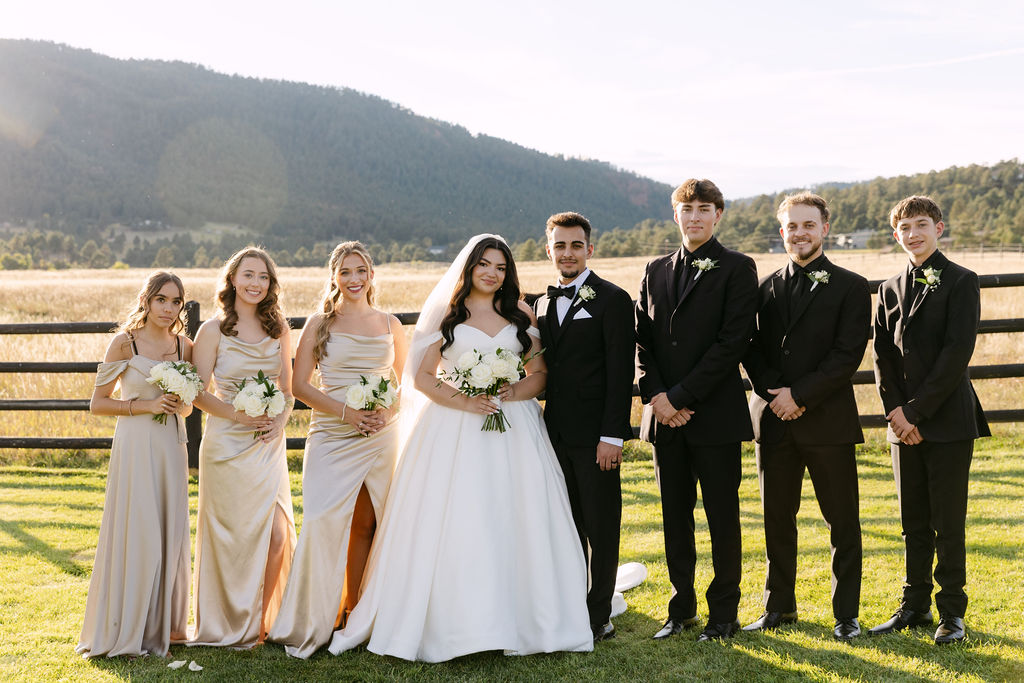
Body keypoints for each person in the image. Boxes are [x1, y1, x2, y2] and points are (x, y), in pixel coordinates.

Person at [328, 234, 592, 662]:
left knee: (517, 514)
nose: (492, 273)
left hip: (515, 429)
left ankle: (526, 616)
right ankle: (455, 621)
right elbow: (423, 378)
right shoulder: (448, 315)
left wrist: (512, 392)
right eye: (484, 264)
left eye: (501, 267)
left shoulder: (520, 312)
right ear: (469, 267)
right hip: (453, 428)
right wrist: (468, 401)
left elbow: (540, 373)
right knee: (458, 517)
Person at [268, 242, 407, 658]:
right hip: (331, 433)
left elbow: (399, 382)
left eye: (360, 270)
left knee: (372, 523)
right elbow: (300, 385)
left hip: (381, 435)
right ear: (334, 276)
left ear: (371, 274)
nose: (354, 279)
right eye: (345, 272)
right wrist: (347, 413)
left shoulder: (390, 323)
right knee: (324, 520)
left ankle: (360, 612)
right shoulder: (319, 323)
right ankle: (314, 617)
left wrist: (385, 411)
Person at [741, 192, 869, 641]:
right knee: (777, 517)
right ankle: (779, 607)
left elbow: (846, 354)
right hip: (774, 421)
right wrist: (774, 394)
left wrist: (801, 395)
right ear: (782, 233)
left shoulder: (852, 286)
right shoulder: (765, 288)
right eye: (792, 226)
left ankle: (846, 613)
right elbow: (750, 348)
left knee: (842, 521)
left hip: (827, 420)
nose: (800, 233)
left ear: (825, 228)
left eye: (808, 225)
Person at [635, 178, 757, 642]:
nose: (695, 216)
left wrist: (680, 397)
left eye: (704, 208)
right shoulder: (655, 268)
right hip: (664, 417)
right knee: (674, 516)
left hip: (714, 416)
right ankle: (680, 607)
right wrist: (657, 397)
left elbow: (732, 344)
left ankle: (723, 614)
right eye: (687, 209)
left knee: (722, 516)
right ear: (675, 215)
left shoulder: (737, 268)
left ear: (718, 215)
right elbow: (642, 341)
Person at [869, 196, 989, 645]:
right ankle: (914, 603)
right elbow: (881, 357)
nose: (913, 233)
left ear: (940, 229)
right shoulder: (887, 288)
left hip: (947, 421)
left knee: (948, 519)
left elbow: (957, 353)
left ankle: (951, 613)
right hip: (902, 424)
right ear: (895, 235)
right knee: (912, 519)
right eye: (904, 227)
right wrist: (896, 414)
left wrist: (916, 411)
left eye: (922, 225)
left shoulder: (961, 281)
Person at [77, 271, 193, 658]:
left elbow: (192, 403)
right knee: (140, 532)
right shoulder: (123, 344)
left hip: (172, 448)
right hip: (137, 446)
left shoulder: (183, 347)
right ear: (146, 300)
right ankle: (125, 629)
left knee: (169, 533)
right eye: (162, 299)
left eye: (176, 301)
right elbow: (98, 404)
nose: (169, 308)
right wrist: (146, 405)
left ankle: (162, 628)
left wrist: (182, 403)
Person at [532, 211, 634, 642]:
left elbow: (619, 373)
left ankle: (599, 614)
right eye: (560, 245)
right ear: (550, 249)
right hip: (551, 434)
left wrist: (612, 435)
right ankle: (571, 601)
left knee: (601, 522)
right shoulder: (539, 302)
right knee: (566, 523)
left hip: (596, 437)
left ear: (589, 249)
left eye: (576, 245)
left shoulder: (612, 299)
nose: (568, 253)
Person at [190, 246, 297, 648]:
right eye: (248, 275)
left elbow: (287, 391)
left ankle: (262, 622)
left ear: (271, 285)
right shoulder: (213, 331)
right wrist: (239, 415)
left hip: (267, 446)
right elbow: (198, 393)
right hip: (225, 447)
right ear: (233, 279)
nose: (256, 284)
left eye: (263, 277)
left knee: (275, 536)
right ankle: (233, 622)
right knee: (230, 537)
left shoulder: (279, 329)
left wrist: (280, 420)